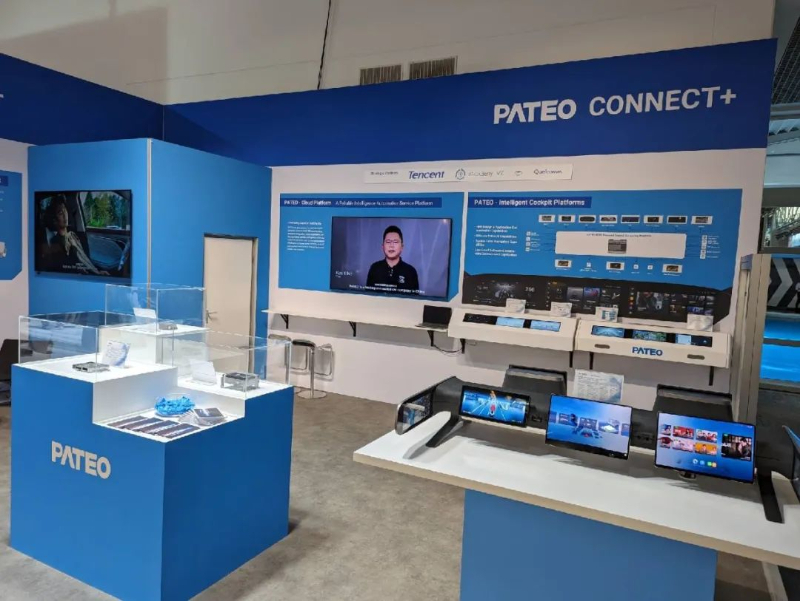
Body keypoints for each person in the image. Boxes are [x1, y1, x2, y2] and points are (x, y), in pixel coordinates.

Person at [39, 195, 104, 275]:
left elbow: (85, 260)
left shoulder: (73, 236)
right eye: (60, 213)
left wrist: (98, 271)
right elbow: (67, 268)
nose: (65, 215)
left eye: (65, 210)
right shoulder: (55, 242)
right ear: (54, 220)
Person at [366, 225, 420, 294]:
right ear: (383, 247)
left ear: (402, 247)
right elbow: (368, 296)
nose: (391, 245)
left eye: (395, 242)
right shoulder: (375, 268)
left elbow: (414, 298)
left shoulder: (410, 271)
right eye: (388, 242)